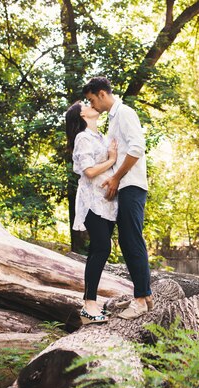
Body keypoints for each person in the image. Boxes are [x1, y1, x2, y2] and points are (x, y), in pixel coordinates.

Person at [83, 76, 153, 320]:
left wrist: (116, 178)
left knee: (132, 239)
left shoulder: (124, 113)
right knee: (127, 241)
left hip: (131, 184)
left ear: (102, 94)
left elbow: (137, 148)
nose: (92, 105)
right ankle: (144, 296)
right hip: (123, 186)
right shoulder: (113, 119)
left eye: (92, 99)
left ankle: (141, 299)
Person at [66, 101, 118, 324]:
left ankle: (91, 305)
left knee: (102, 250)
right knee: (101, 248)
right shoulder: (83, 137)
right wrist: (112, 159)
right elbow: (88, 172)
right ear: (82, 115)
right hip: (91, 202)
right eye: (85, 104)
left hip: (108, 202)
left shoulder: (102, 137)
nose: (91, 104)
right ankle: (89, 305)